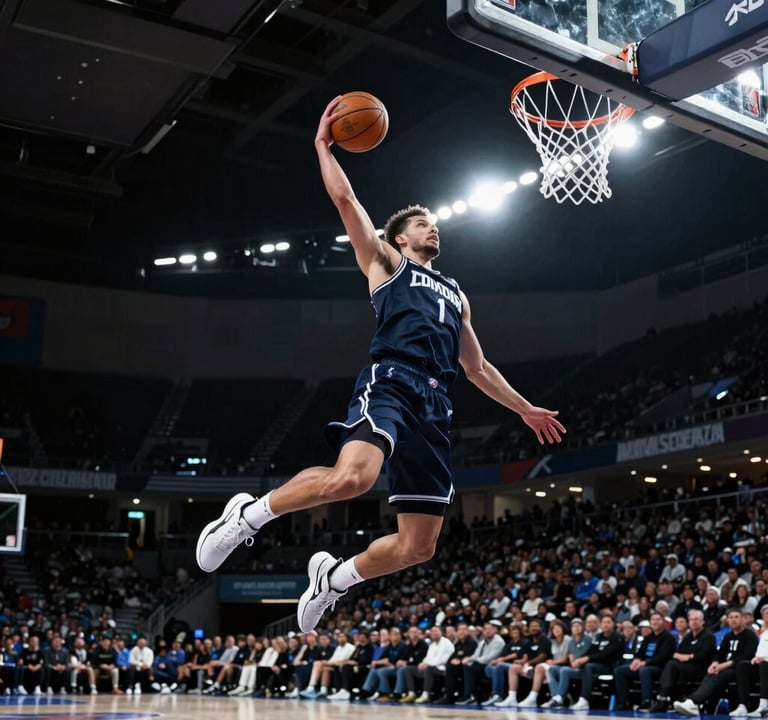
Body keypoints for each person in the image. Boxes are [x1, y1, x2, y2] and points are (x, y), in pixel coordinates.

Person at [195, 98, 566, 632]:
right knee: (350, 479)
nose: (432, 228)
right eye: (421, 223)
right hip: (392, 380)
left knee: (419, 547)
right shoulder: (385, 263)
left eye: (434, 224)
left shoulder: (457, 293)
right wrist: (323, 146)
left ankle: (335, 579)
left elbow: (478, 367)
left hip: (436, 404)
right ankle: (246, 517)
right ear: (400, 238)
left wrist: (525, 408)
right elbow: (345, 199)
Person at [673, 607, 759, 717]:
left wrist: (724, 665)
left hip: (741, 670)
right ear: (727, 620)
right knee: (710, 673)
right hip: (725, 669)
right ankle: (695, 703)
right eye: (730, 617)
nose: (733, 620)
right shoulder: (728, 636)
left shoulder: (750, 635)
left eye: (736, 617)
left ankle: (693, 702)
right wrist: (714, 663)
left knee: (721, 674)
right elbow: (720, 653)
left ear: (742, 619)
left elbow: (747, 655)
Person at [646, 609, 716, 712]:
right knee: (671, 665)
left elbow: (704, 655)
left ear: (703, 621)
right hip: (686, 667)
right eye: (691, 619)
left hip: (702, 668)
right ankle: (669, 699)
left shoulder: (708, 636)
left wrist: (689, 657)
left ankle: (663, 697)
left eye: (696, 619)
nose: (694, 622)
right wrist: (686, 656)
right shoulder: (689, 636)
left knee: (672, 665)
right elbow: (677, 653)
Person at [613, 611, 676, 711]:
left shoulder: (669, 638)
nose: (655, 622)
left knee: (645, 670)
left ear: (663, 622)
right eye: (653, 620)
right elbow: (640, 653)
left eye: (658, 619)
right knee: (620, 670)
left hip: (661, 669)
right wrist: (636, 661)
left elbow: (663, 657)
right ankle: (624, 702)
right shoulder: (648, 637)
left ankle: (647, 701)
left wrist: (644, 663)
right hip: (644, 666)